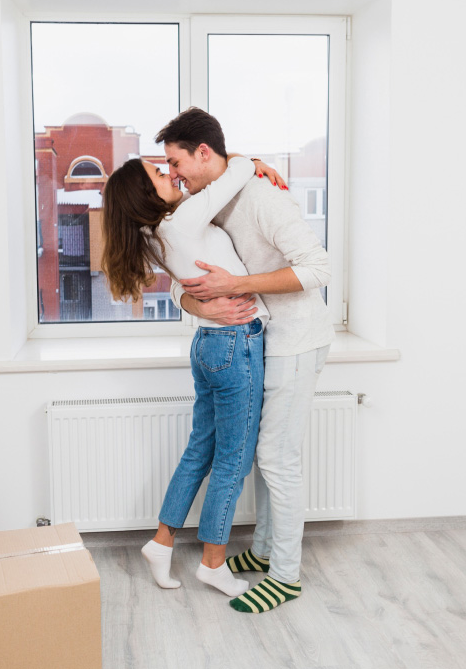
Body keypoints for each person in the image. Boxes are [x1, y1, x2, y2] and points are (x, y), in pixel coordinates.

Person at [155, 107, 334, 614]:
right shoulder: (207, 202)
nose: (172, 176)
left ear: (204, 153)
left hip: (296, 340)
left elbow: (318, 268)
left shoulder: (262, 197)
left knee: (279, 458)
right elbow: (181, 282)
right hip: (257, 343)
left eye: (175, 163)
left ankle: (286, 576)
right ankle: (261, 552)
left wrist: (236, 285)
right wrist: (198, 302)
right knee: (260, 454)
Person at [101, 149, 285, 597]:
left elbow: (182, 287)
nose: (171, 174)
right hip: (234, 346)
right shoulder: (181, 222)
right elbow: (233, 172)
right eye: (160, 173)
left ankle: (162, 543)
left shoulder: (152, 234)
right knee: (233, 460)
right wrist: (251, 158)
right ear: (147, 194)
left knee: (200, 451)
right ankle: (213, 564)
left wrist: (195, 303)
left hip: (207, 345)